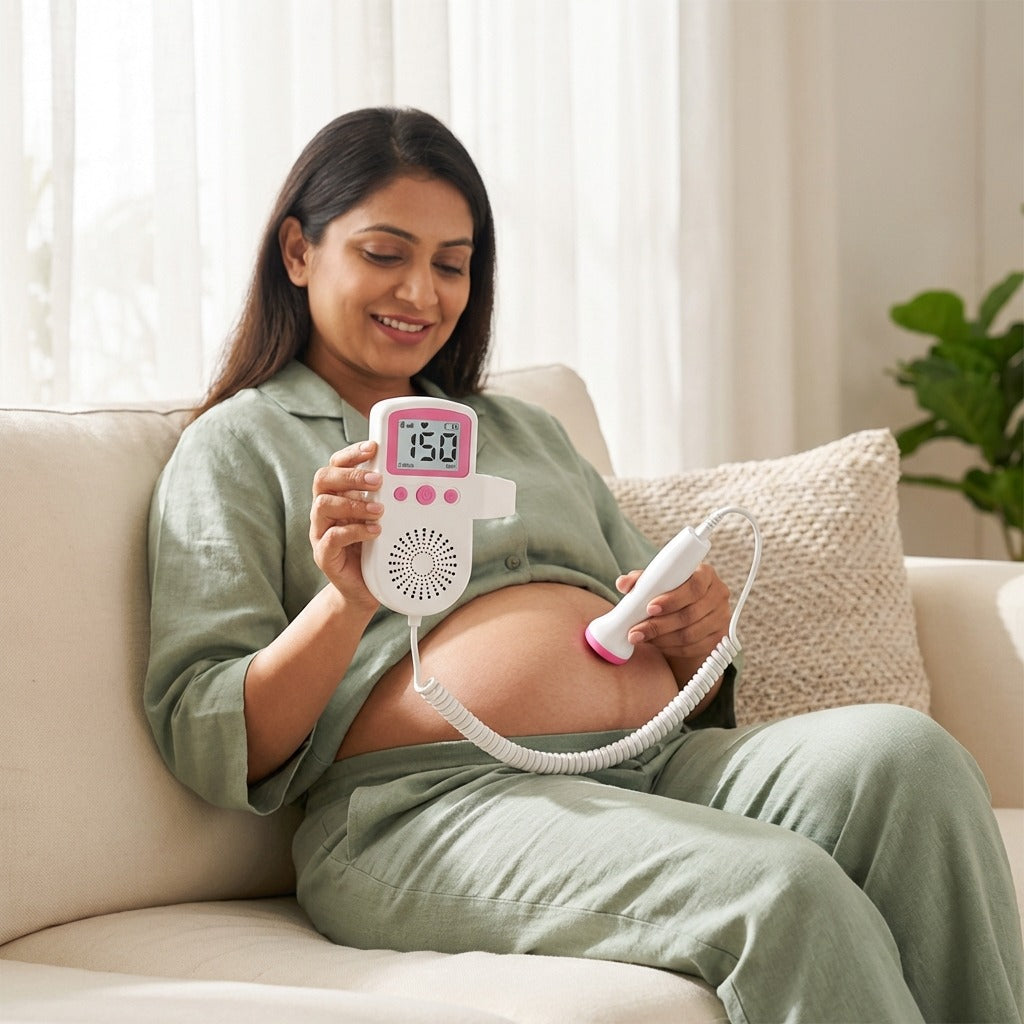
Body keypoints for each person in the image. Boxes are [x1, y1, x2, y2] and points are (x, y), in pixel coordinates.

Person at [145, 106, 1022, 1024]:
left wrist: (691, 630)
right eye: (384, 252)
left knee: (909, 755)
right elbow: (210, 737)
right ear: (297, 251)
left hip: (652, 763)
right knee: (779, 892)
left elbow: (675, 638)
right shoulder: (237, 445)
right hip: (429, 807)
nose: (421, 291)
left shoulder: (528, 431)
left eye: (451, 263)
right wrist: (347, 602)